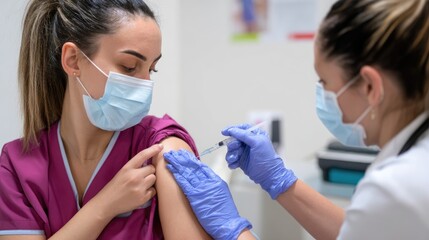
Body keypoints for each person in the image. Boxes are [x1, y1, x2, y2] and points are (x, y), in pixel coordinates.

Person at [164, 0, 429, 239]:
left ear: (371, 87)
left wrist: (234, 229)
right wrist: (279, 180)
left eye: (324, 82)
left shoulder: (398, 188)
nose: (322, 95)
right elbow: (359, 233)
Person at [0, 0, 211, 239]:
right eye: (129, 67)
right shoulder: (17, 164)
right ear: (72, 60)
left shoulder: (161, 147)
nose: (145, 85)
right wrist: (105, 205)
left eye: (151, 69)